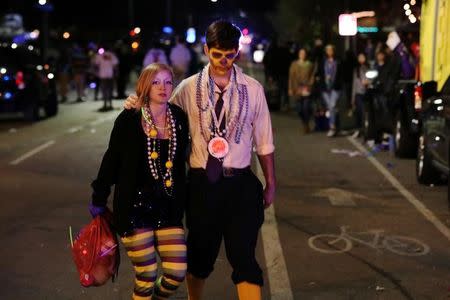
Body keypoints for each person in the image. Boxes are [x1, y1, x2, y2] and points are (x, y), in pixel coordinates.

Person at [125, 20, 276, 300]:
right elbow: (162, 115)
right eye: (217, 54)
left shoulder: (253, 89)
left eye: (230, 54)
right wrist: (139, 105)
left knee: (244, 257)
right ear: (206, 50)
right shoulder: (187, 88)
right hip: (202, 186)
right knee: (200, 256)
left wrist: (271, 183)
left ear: (237, 52)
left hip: (241, 185)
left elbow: (265, 141)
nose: (223, 61)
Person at [89, 63, 189, 299]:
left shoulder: (179, 118)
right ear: (145, 85)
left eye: (167, 82)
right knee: (146, 274)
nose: (163, 87)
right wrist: (99, 196)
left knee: (176, 272)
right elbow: (111, 160)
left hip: (168, 208)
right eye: (156, 82)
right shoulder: (129, 119)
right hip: (134, 209)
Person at [317, 44, 343, 137]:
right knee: (332, 108)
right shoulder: (323, 61)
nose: (329, 52)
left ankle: (332, 127)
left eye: (331, 50)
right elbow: (319, 73)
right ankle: (337, 125)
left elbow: (342, 74)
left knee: (332, 106)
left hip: (335, 88)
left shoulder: (338, 61)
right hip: (325, 88)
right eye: (327, 50)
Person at [288, 47, 315, 133]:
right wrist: (290, 88)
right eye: (301, 53)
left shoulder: (310, 64)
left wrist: (310, 85)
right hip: (297, 89)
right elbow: (291, 77)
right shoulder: (294, 64)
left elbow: (312, 76)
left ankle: (306, 124)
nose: (302, 55)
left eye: (304, 53)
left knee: (306, 108)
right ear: (299, 54)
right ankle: (304, 122)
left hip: (307, 89)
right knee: (299, 109)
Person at [93, 46, 119, 111]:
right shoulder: (112, 55)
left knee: (104, 90)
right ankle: (110, 104)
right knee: (110, 90)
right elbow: (116, 64)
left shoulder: (100, 55)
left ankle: (105, 104)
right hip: (110, 75)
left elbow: (96, 64)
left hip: (103, 75)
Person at [351, 53, 369, 137]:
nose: (361, 59)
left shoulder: (368, 68)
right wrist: (352, 97)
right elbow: (354, 84)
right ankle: (358, 130)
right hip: (358, 93)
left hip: (366, 92)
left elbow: (371, 79)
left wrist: (368, 83)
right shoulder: (356, 69)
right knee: (358, 112)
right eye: (360, 57)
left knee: (364, 112)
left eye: (363, 57)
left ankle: (365, 130)